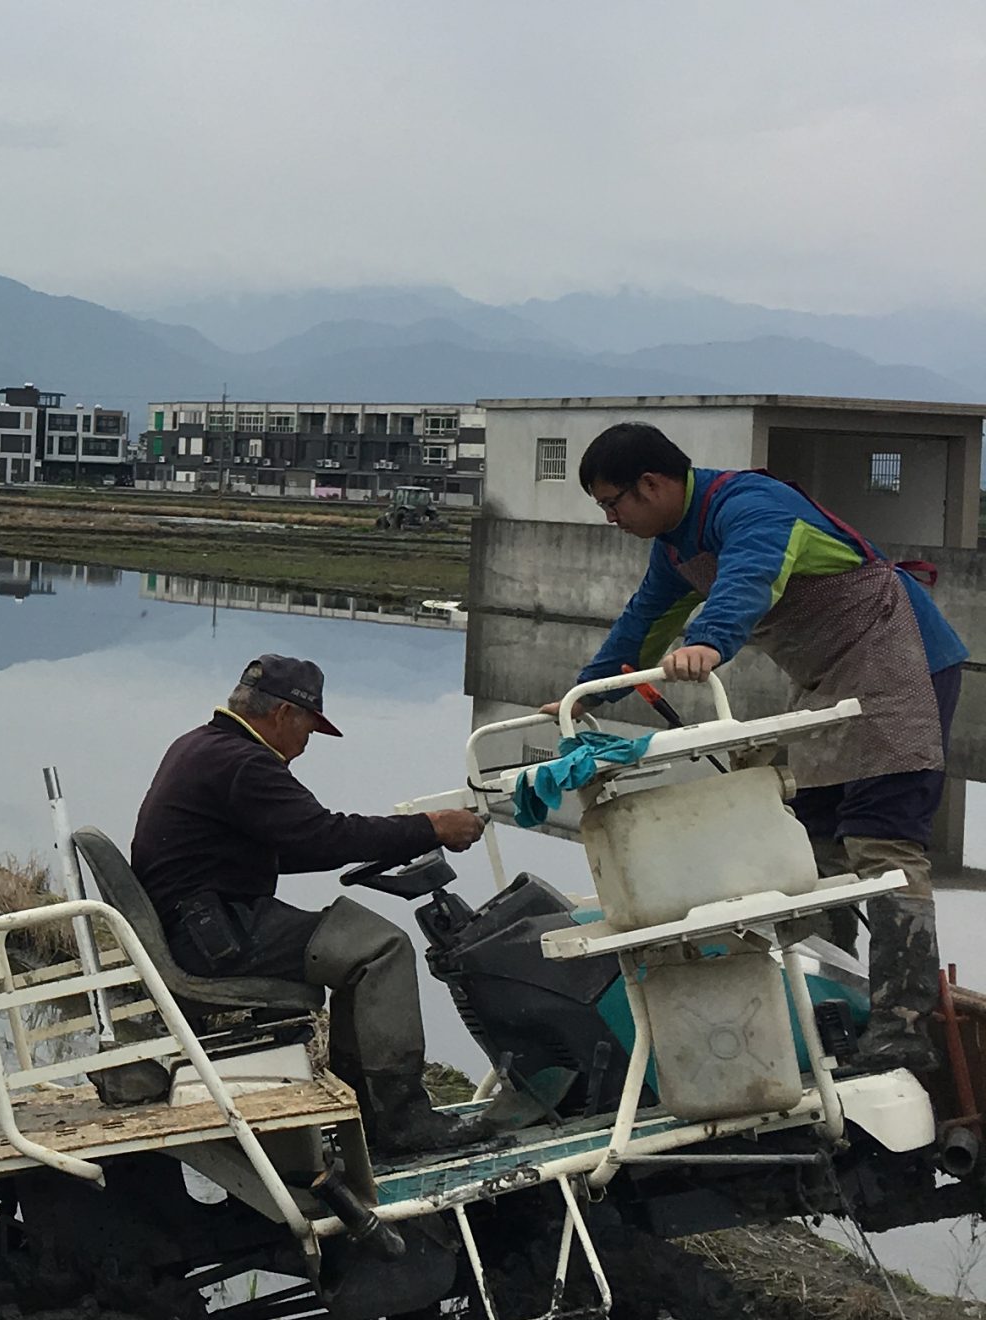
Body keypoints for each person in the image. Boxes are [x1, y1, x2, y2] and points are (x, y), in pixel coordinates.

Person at [568, 420, 967, 1074]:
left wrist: (712, 640)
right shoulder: (673, 547)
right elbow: (642, 623)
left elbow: (750, 577)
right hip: (824, 682)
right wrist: (586, 693)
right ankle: (831, 1006)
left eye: (614, 503)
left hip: (898, 662)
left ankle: (902, 1032)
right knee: (805, 847)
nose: (611, 517)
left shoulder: (752, 506)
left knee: (883, 844)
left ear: (653, 483)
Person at [132, 653, 496, 1157]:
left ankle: (367, 1107)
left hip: (201, 925)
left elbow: (297, 846)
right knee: (381, 948)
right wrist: (432, 827)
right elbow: (323, 835)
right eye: (307, 730)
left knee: (355, 944)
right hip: (214, 938)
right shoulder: (246, 763)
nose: (304, 747)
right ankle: (398, 1120)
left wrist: (393, 841)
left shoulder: (201, 746)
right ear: (283, 715)